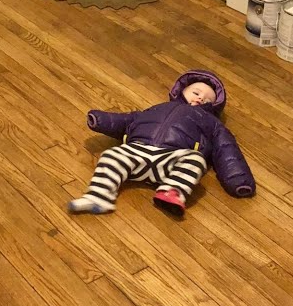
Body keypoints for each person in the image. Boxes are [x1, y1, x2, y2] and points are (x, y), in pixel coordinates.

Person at [69, 69, 255, 216]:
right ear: (181, 90)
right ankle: (99, 197)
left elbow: (227, 149)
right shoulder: (159, 108)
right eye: (196, 92)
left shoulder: (210, 121)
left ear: (212, 106)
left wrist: (238, 180)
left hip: (171, 160)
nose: (200, 98)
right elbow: (130, 120)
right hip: (138, 152)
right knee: (112, 155)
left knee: (195, 160)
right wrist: (101, 120)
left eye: (207, 99)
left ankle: (171, 191)